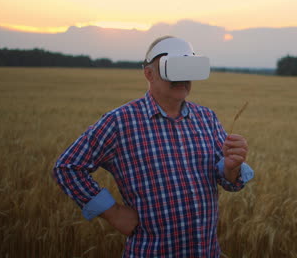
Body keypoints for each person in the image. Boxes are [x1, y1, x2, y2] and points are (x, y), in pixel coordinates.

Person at [52, 36, 254, 257]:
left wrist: (231, 167)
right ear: (149, 74)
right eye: (173, 69)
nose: (182, 78)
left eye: (187, 68)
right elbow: (68, 167)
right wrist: (114, 212)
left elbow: (230, 182)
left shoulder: (206, 118)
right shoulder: (120, 122)